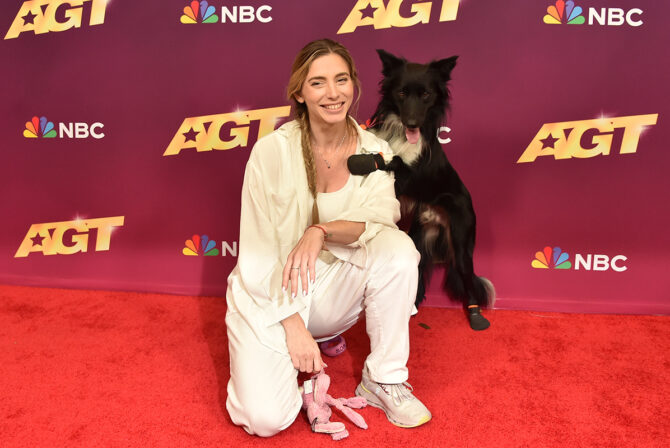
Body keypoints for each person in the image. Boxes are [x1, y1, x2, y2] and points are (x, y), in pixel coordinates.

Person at [225, 38, 431, 437]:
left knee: (398, 251)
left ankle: (383, 378)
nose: (333, 93)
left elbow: (379, 219)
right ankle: (290, 351)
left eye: (341, 80)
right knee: (266, 420)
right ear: (299, 93)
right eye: (318, 83)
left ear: (354, 85)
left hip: (334, 286)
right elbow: (255, 253)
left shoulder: (373, 150)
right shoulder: (270, 152)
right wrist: (293, 326)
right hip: (272, 292)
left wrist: (320, 232)